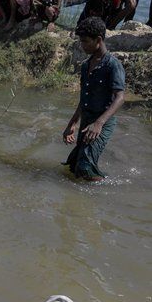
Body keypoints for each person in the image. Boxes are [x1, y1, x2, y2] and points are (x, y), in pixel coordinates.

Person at [63, 17, 125, 182]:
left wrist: (99, 123)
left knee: (85, 168)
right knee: (74, 164)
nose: (82, 46)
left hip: (102, 122)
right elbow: (84, 97)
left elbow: (120, 97)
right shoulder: (86, 65)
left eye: (85, 42)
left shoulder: (112, 65)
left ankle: (106, 190)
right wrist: (73, 123)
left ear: (98, 40)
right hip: (87, 120)